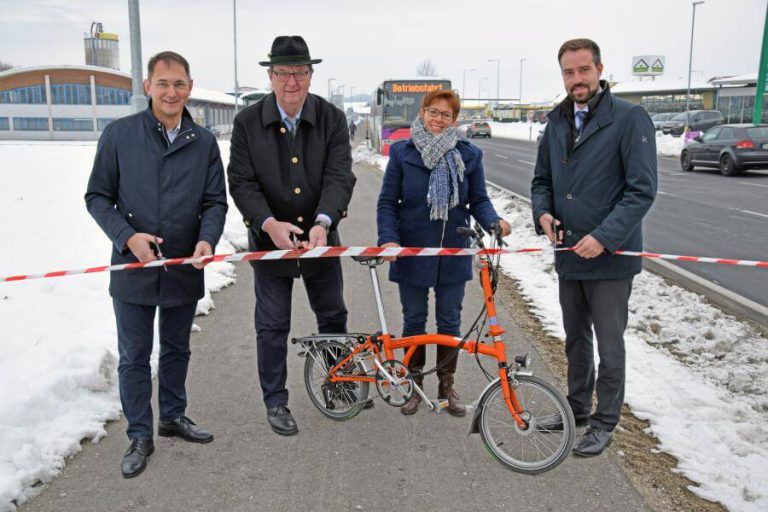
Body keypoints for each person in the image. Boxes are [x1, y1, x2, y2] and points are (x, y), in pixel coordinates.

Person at [85, 51, 228, 478]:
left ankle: (172, 416)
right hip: (132, 268)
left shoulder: (203, 143)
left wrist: (206, 239)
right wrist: (127, 237)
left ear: (190, 87)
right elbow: (98, 197)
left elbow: (215, 201)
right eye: (162, 83)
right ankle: (139, 434)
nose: (171, 92)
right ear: (147, 86)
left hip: (184, 266)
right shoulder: (119, 135)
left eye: (179, 84)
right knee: (134, 355)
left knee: (177, 347)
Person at [531, 38, 657, 457]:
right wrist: (543, 214)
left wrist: (604, 237)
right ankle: (578, 408)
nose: (577, 79)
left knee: (609, 343)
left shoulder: (629, 118)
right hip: (568, 253)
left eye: (584, 70)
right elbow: (541, 182)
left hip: (611, 258)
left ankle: (605, 422)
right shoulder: (557, 122)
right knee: (574, 339)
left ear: (599, 70)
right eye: (569, 72)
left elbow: (641, 191)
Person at [227, 35, 357, 436]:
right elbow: (242, 182)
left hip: (321, 240)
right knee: (271, 324)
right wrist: (268, 224)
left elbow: (339, 175)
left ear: (311, 75)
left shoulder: (331, 118)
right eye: (283, 73)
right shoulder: (247, 123)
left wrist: (322, 222)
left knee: (332, 315)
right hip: (271, 244)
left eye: (300, 72)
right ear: (270, 76)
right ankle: (276, 401)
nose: (292, 82)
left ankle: (339, 382)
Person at [377, 90, 511, 416]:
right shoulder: (401, 153)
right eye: (433, 112)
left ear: (455, 120)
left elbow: (477, 200)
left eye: (446, 115)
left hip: (453, 250)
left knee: (450, 321)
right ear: (422, 113)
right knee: (415, 321)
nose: (438, 120)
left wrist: (494, 221)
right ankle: (413, 384)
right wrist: (389, 240)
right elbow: (387, 203)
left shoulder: (469, 155)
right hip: (412, 250)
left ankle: (446, 384)